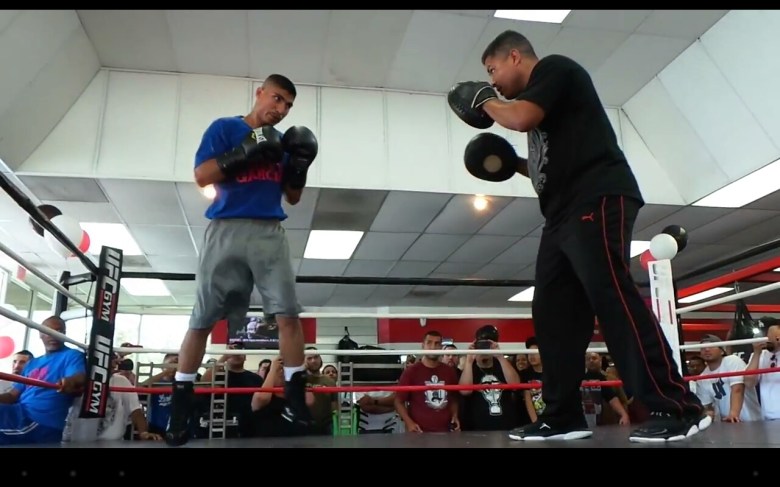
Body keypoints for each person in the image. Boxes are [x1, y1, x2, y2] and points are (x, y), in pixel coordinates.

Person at [447, 30, 709, 443]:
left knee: (612, 298)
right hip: (561, 213)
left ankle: (678, 406)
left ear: (515, 57)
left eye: (492, 70)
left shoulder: (554, 70)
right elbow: (546, 166)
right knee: (553, 315)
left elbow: (519, 118)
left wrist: (484, 100)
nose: (492, 80)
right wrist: (509, 164)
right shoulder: (542, 110)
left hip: (598, 195)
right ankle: (562, 415)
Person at [165, 73, 318, 446]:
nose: (280, 110)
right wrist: (244, 152)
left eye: (287, 106)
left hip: (269, 232)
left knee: (288, 314)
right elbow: (202, 176)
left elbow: (293, 198)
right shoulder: (225, 128)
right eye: (277, 99)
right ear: (260, 93)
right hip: (225, 228)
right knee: (201, 319)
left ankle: (296, 402)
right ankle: (180, 410)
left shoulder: (283, 142)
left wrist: (299, 164)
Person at [0, 316, 85, 445]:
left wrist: (70, 381)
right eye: (49, 331)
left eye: (59, 332)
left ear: (64, 334)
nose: (54, 335)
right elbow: (12, 395)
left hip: (39, 422)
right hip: (18, 413)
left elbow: (79, 376)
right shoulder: (32, 363)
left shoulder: (72, 355)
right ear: (40, 333)